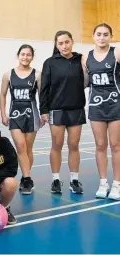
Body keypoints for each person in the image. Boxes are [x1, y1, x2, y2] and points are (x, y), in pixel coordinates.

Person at [39, 30, 86, 194]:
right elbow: (43, 88)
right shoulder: (50, 62)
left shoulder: (80, 60)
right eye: (60, 43)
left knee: (74, 145)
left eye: (67, 42)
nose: (64, 46)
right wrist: (43, 110)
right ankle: (56, 180)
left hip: (76, 109)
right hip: (56, 109)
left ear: (72, 42)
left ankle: (74, 180)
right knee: (56, 145)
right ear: (56, 45)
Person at [82, 23, 120, 200]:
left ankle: (117, 184)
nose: (102, 37)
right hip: (96, 104)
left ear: (110, 37)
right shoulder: (86, 57)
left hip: (115, 103)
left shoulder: (116, 53)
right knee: (100, 145)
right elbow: (84, 82)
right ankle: (103, 182)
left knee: (116, 145)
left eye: (106, 34)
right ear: (93, 36)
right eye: (99, 34)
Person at [0, 44, 42, 195]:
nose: (25, 57)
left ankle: (26, 178)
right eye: (23, 54)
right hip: (15, 114)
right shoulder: (8, 75)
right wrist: (4, 114)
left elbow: (42, 96)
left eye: (28, 54)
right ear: (18, 56)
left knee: (28, 149)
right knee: (20, 146)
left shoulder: (37, 74)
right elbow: (3, 94)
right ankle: (28, 178)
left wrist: (43, 113)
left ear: (32, 57)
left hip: (31, 115)